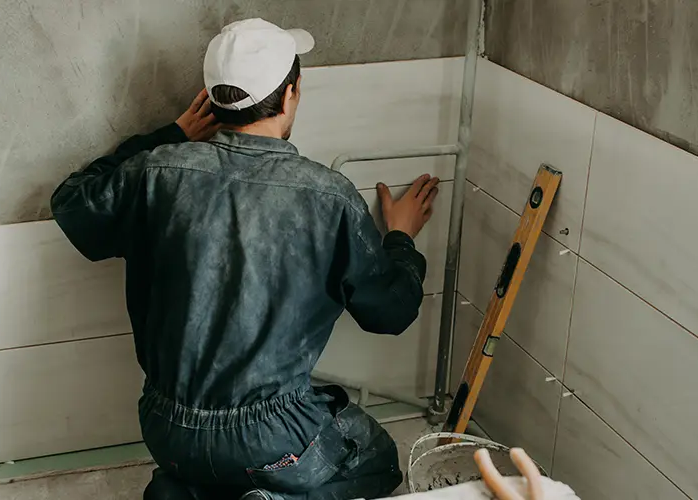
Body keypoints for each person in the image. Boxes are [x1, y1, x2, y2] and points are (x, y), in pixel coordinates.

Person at [51, 18, 440, 500]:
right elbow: (392, 312)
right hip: (271, 439)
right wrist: (400, 238)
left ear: (213, 98)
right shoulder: (327, 197)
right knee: (377, 459)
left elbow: (72, 206)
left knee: (213, 467)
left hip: (166, 428)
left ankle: (185, 490)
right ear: (293, 92)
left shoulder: (157, 172)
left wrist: (168, 135)